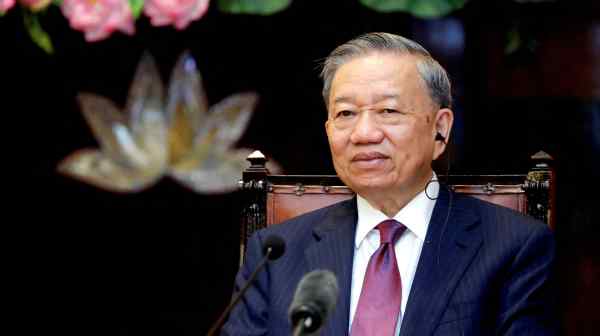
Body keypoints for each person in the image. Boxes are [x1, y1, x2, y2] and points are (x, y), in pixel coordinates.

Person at [221, 32, 556, 335]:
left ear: (440, 129)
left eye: (389, 111)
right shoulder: (274, 254)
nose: (364, 134)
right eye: (346, 114)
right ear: (328, 131)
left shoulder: (514, 247)